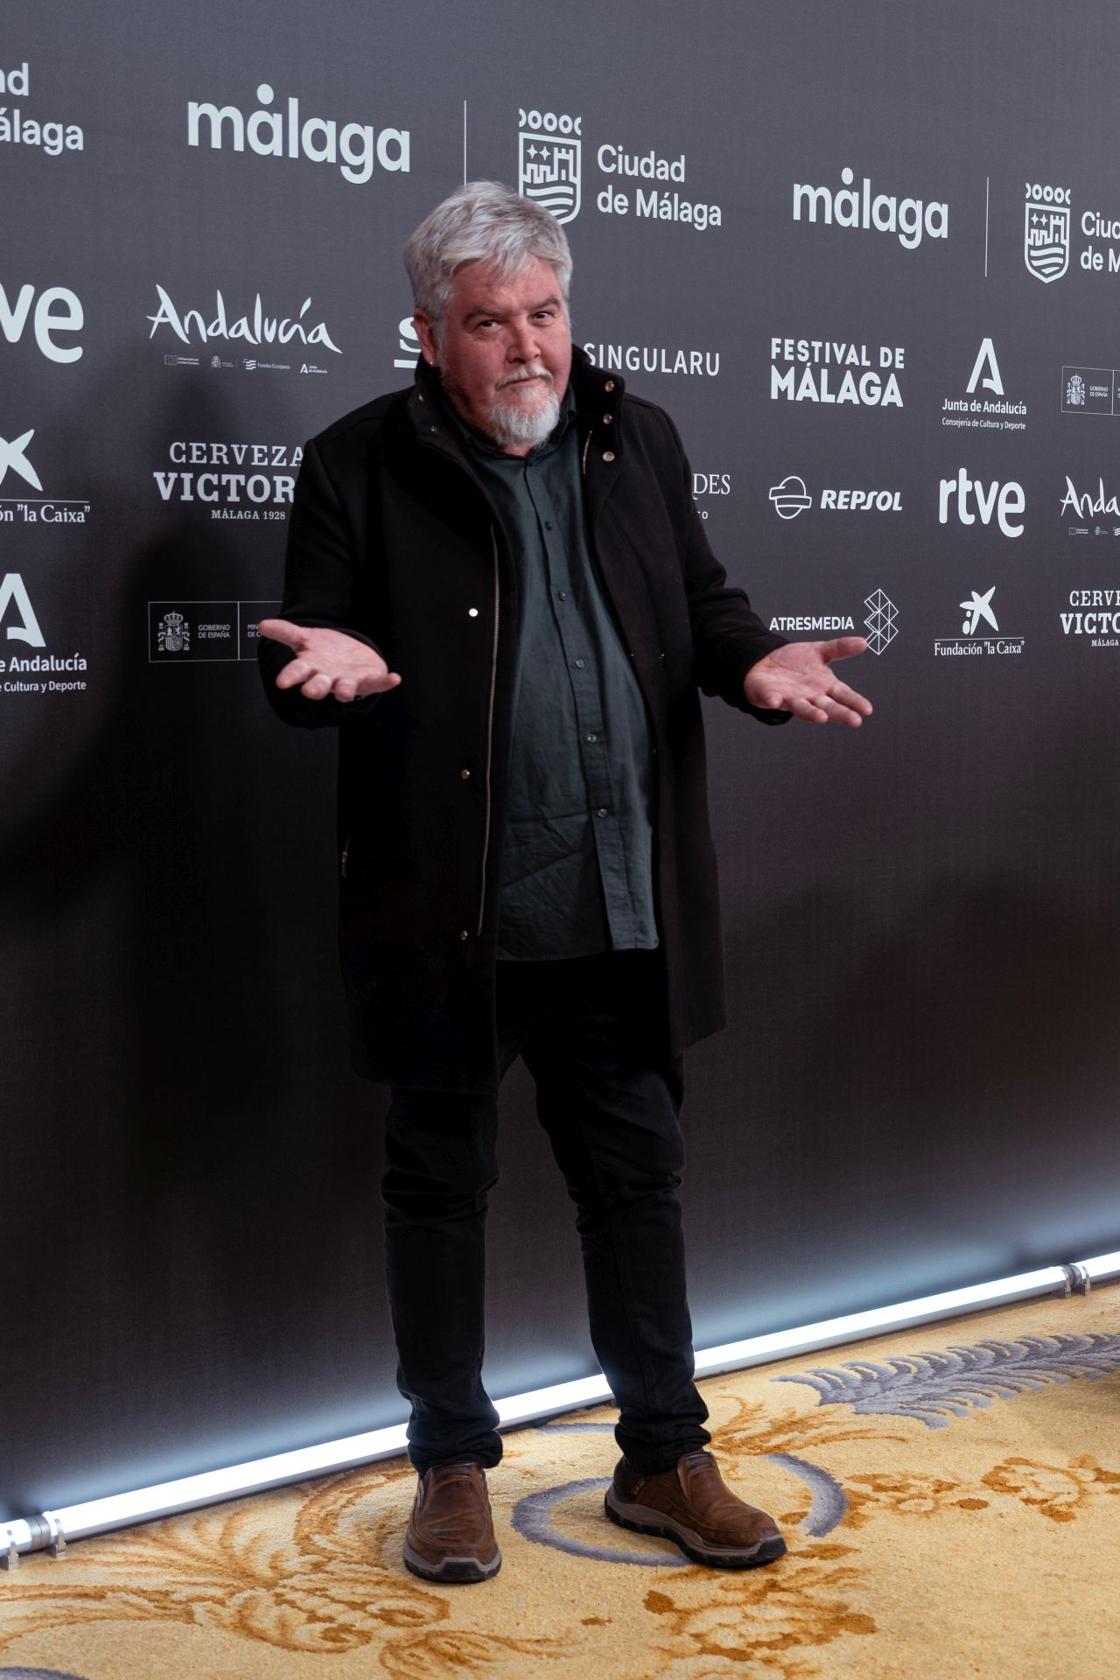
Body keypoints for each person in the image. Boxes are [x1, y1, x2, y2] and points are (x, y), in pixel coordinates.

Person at [259, 181, 871, 1585]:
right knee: (439, 1188)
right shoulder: (353, 463)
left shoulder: (635, 437)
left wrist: (757, 668)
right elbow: (311, 644)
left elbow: (704, 607)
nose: (530, 346)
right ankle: (451, 1471)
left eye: (547, 313)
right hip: (451, 914)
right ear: (427, 333)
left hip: (619, 900)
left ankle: (661, 1456)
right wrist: (326, 677)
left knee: (638, 1186)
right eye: (491, 323)